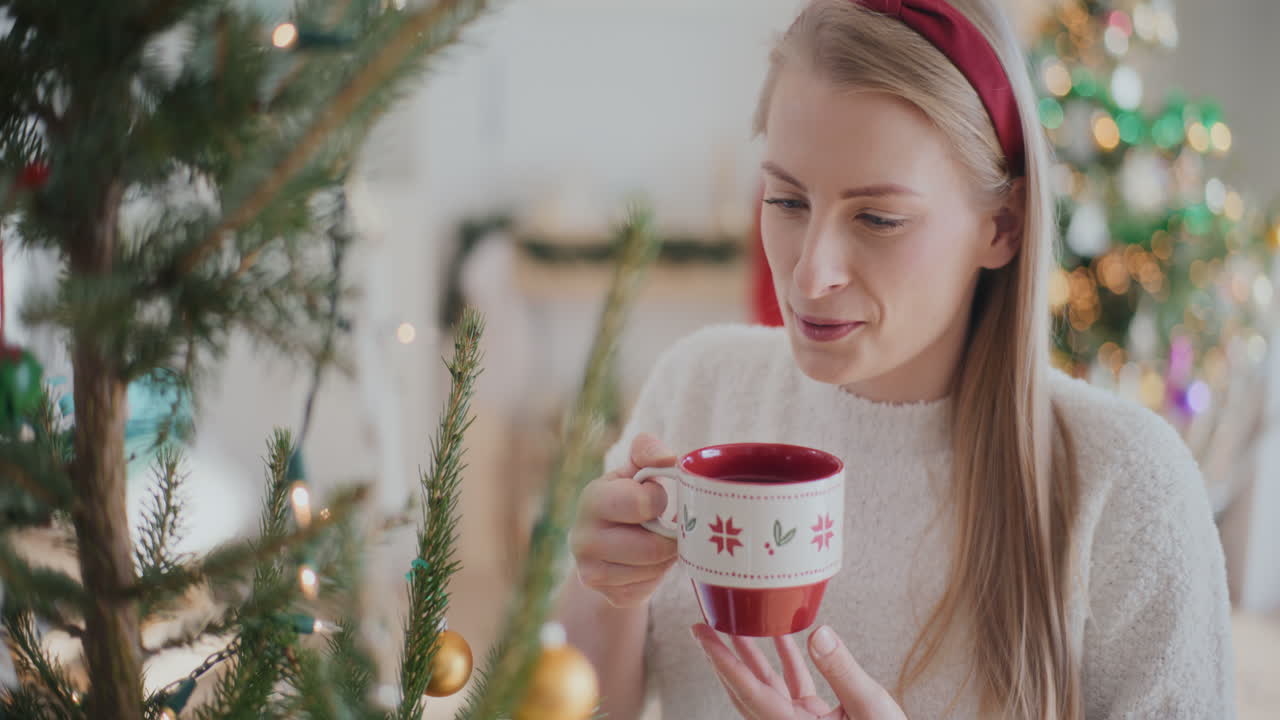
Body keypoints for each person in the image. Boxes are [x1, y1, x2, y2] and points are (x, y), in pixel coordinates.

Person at [557, 0, 1236, 717]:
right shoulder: (700, 390)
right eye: (787, 201)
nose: (809, 274)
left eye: (877, 218)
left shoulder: (1126, 488)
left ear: (1002, 225)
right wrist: (609, 593)